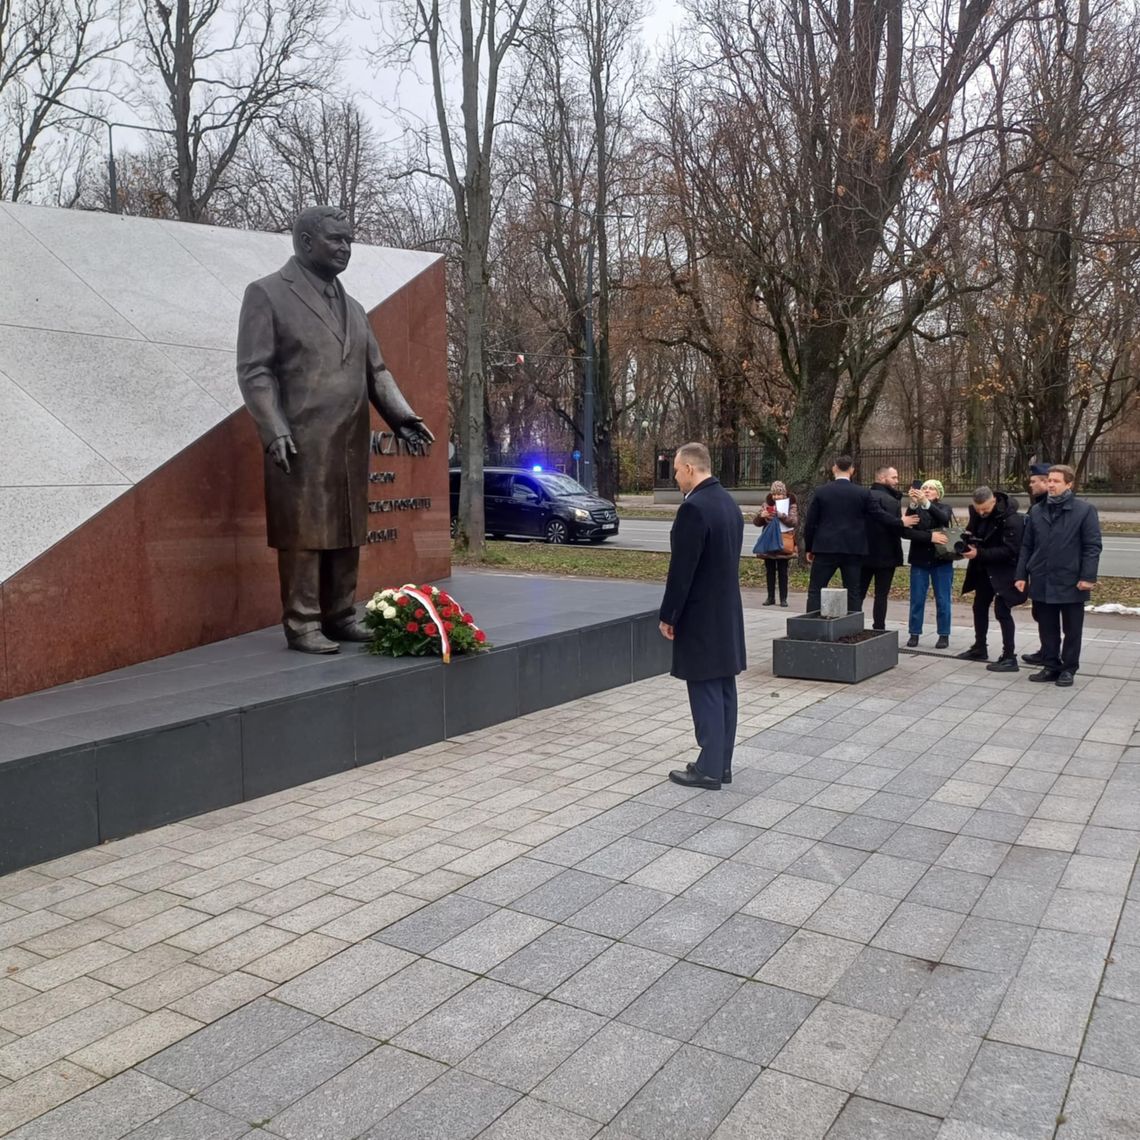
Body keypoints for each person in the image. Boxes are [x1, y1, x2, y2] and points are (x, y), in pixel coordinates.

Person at [237, 206, 434, 654]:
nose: (345, 248)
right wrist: (274, 429)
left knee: (347, 527)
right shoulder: (267, 293)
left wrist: (402, 417)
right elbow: (255, 370)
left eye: (349, 241)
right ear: (306, 242)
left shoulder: (356, 308)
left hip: (349, 441)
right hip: (299, 439)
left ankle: (340, 613)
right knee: (303, 532)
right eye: (336, 240)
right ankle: (302, 622)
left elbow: (376, 371)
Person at [659, 443, 747, 790]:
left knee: (705, 686)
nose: (676, 477)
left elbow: (682, 570)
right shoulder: (728, 503)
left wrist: (669, 615)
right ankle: (721, 764)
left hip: (701, 613)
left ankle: (708, 768)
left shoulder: (693, 508)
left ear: (690, 469)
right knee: (724, 686)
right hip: (726, 610)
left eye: (677, 470)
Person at [1015, 464, 1102, 686]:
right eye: (1049, 480)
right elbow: (1027, 546)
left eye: (1056, 481)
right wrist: (1021, 574)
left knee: (1072, 629)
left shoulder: (1084, 510)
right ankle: (1051, 666)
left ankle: (1069, 669)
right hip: (1042, 578)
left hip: (1071, 579)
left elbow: (1092, 546)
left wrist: (1088, 577)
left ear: (1069, 484)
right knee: (1047, 627)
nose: (1051, 485)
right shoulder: (1037, 511)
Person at [803, 455, 912, 615]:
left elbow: (811, 522)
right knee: (853, 591)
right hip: (853, 549)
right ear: (852, 470)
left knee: (816, 589)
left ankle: (810, 622)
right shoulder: (862, 492)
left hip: (826, 547)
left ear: (834, 468)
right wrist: (900, 522)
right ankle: (852, 625)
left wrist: (809, 547)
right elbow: (879, 514)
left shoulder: (821, 491)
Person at [955, 486, 1026, 671]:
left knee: (1002, 611)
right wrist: (967, 541)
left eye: (985, 509)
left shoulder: (1012, 519)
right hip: (984, 568)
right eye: (977, 509)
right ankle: (980, 647)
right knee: (979, 606)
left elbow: (1011, 550)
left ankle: (1009, 657)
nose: (981, 513)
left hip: (1005, 570)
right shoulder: (976, 513)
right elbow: (972, 531)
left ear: (994, 500)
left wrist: (979, 553)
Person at [905, 479, 953, 648]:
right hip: (919, 560)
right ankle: (914, 633)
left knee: (943, 599)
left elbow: (943, 518)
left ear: (938, 493)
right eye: (924, 488)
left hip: (941, 560)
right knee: (917, 599)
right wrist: (913, 503)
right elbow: (907, 530)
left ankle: (944, 634)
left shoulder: (944, 507)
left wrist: (926, 503)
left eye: (931, 488)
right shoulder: (916, 508)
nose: (926, 490)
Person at [860, 465, 907, 631]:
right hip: (887, 554)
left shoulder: (863, 496)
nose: (897, 481)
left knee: (858, 593)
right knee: (881, 595)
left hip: (863, 553)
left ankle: (852, 625)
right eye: (894, 477)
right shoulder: (891, 500)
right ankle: (879, 627)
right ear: (881, 478)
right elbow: (897, 529)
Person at [1021, 462, 1053, 666]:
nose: (1030, 485)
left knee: (1047, 614)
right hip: (1038, 570)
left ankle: (1051, 653)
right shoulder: (1037, 507)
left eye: (1034, 481)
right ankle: (1046, 650)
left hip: (1050, 571)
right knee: (1039, 612)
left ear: (1045, 482)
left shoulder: (1048, 507)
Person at [753, 480, 798, 607]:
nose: (776, 497)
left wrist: (781, 515)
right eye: (774, 494)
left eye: (779, 494)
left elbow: (794, 521)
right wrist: (762, 516)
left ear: (784, 494)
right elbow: (757, 522)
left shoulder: (791, 505)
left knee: (783, 572)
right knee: (770, 571)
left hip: (784, 541)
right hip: (770, 541)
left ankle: (783, 598)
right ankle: (770, 597)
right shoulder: (766, 504)